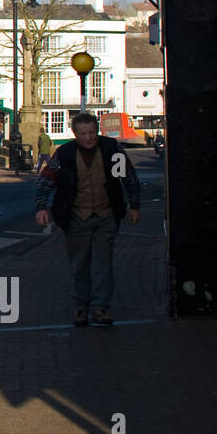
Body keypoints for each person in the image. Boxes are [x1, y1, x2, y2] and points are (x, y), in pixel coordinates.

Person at [34, 112, 141, 327]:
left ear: (97, 131)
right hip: (76, 216)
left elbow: (127, 177)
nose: (88, 138)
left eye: (92, 133)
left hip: (107, 214)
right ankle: (80, 308)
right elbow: (46, 180)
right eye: (83, 134)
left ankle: (101, 308)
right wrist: (41, 207)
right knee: (79, 264)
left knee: (103, 263)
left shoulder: (112, 150)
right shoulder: (64, 154)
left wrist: (134, 205)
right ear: (74, 134)